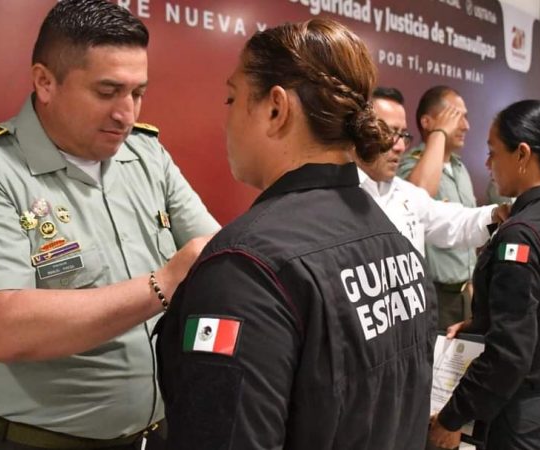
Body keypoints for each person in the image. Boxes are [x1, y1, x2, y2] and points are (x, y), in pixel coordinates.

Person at [0, 1, 220, 448]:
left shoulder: (146, 155)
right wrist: (163, 283)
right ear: (44, 81)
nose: (127, 114)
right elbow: (3, 328)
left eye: (138, 92)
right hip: (43, 441)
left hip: (157, 432)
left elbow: (211, 248)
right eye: (107, 92)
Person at [156, 19, 435, 450]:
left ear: (275, 109)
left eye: (232, 98)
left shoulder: (245, 269)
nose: (226, 116)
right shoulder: (392, 239)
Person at [427, 99, 540, 449]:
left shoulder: (523, 234)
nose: (488, 164)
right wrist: (482, 323)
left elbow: (509, 355)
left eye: (492, 152)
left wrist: (451, 417)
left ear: (522, 154)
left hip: (520, 413)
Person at [356, 86, 507, 256]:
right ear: (359, 132)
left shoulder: (407, 194)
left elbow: (459, 226)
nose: (399, 147)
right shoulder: (337, 199)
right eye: (388, 133)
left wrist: (497, 216)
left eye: (403, 135)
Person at [397, 86, 478, 330]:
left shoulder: (460, 169)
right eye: (456, 116)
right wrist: (439, 134)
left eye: (466, 116)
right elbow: (417, 195)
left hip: (465, 292)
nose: (465, 126)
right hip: (434, 295)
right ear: (427, 122)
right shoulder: (407, 166)